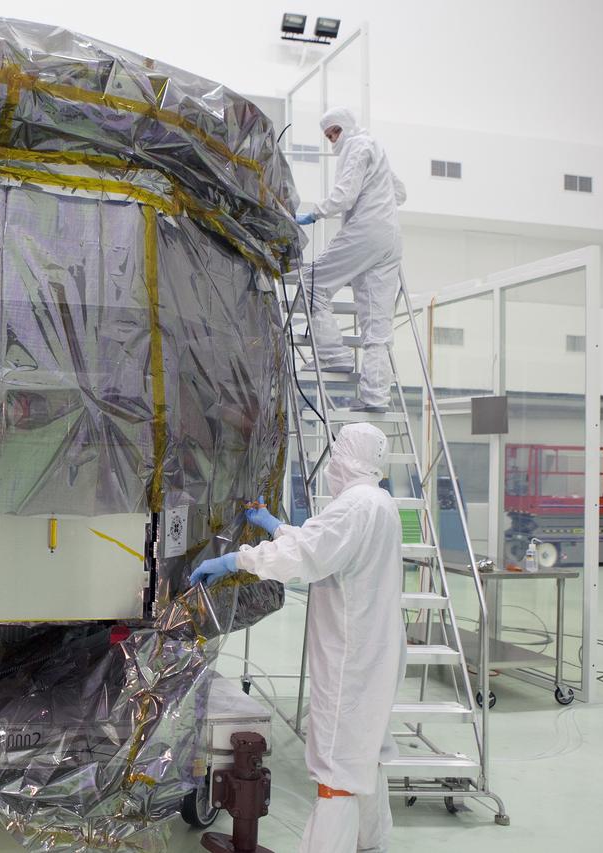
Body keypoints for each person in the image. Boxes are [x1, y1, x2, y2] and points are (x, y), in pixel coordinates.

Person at [189, 422, 405, 853]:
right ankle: (371, 842)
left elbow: (306, 557)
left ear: (345, 457)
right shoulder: (380, 503)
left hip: (350, 659)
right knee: (365, 753)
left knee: (337, 768)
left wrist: (235, 559)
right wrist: (274, 525)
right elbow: (320, 546)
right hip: (376, 652)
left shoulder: (355, 507)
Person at [294, 107, 407, 414]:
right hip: (390, 240)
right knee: (378, 329)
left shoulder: (356, 146)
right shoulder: (375, 146)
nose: (333, 140)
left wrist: (314, 212)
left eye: (335, 132)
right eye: (328, 135)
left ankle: (335, 356)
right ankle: (374, 398)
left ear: (346, 127)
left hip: (365, 233)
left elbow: (344, 196)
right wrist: (379, 199)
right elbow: (400, 192)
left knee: (311, 284)